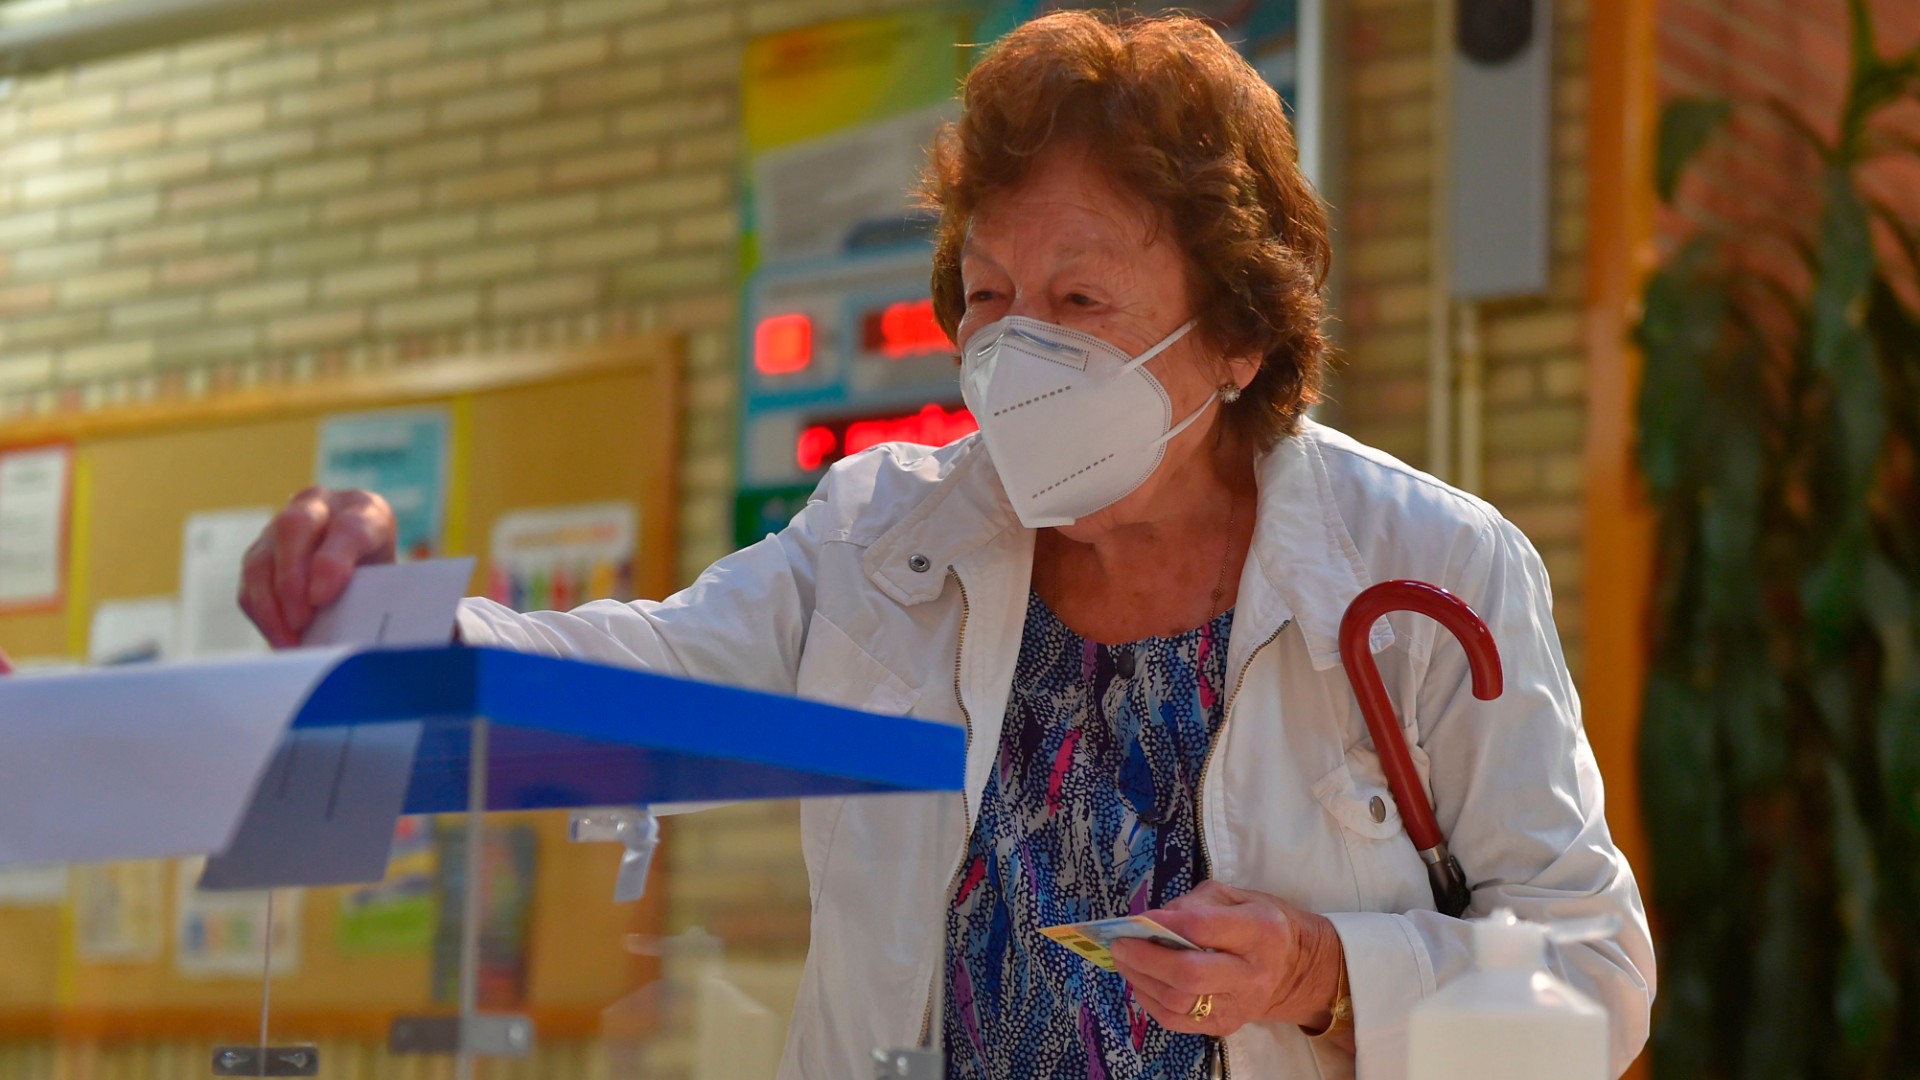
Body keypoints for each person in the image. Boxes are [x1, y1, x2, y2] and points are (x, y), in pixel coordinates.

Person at [241, 12, 1653, 1079]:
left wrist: (1321, 973)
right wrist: (385, 617)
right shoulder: (882, 535)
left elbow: (1596, 972)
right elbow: (641, 675)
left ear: (1234, 334)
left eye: (1080, 300)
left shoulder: (1426, 574)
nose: (1019, 352)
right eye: (987, 296)